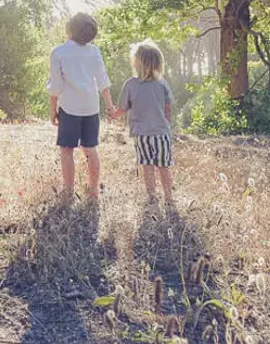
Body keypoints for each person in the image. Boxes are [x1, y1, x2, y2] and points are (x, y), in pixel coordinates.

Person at [47, 12, 117, 202]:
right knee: (91, 148)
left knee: (67, 150)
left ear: (69, 30)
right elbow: (103, 82)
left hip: (69, 108)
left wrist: (53, 110)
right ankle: (93, 191)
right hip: (91, 107)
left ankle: (68, 192)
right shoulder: (94, 51)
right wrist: (110, 107)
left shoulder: (58, 52)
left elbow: (56, 86)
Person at [113, 40, 175, 206]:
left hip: (142, 135)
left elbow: (122, 109)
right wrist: (167, 127)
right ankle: (169, 198)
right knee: (164, 166)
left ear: (136, 62)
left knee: (147, 166)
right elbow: (168, 108)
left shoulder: (131, 84)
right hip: (161, 134)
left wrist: (112, 112)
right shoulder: (162, 83)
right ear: (157, 63)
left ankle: (152, 197)